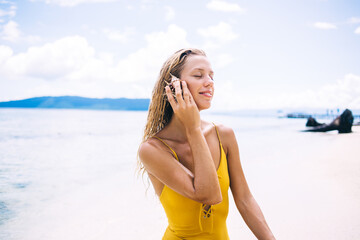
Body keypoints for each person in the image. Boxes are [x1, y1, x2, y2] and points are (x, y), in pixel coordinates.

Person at [138, 48, 275, 239]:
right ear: (174, 86)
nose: (209, 82)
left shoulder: (224, 135)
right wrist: (193, 129)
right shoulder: (152, 149)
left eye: (211, 76)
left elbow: (244, 199)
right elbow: (210, 195)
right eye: (198, 75)